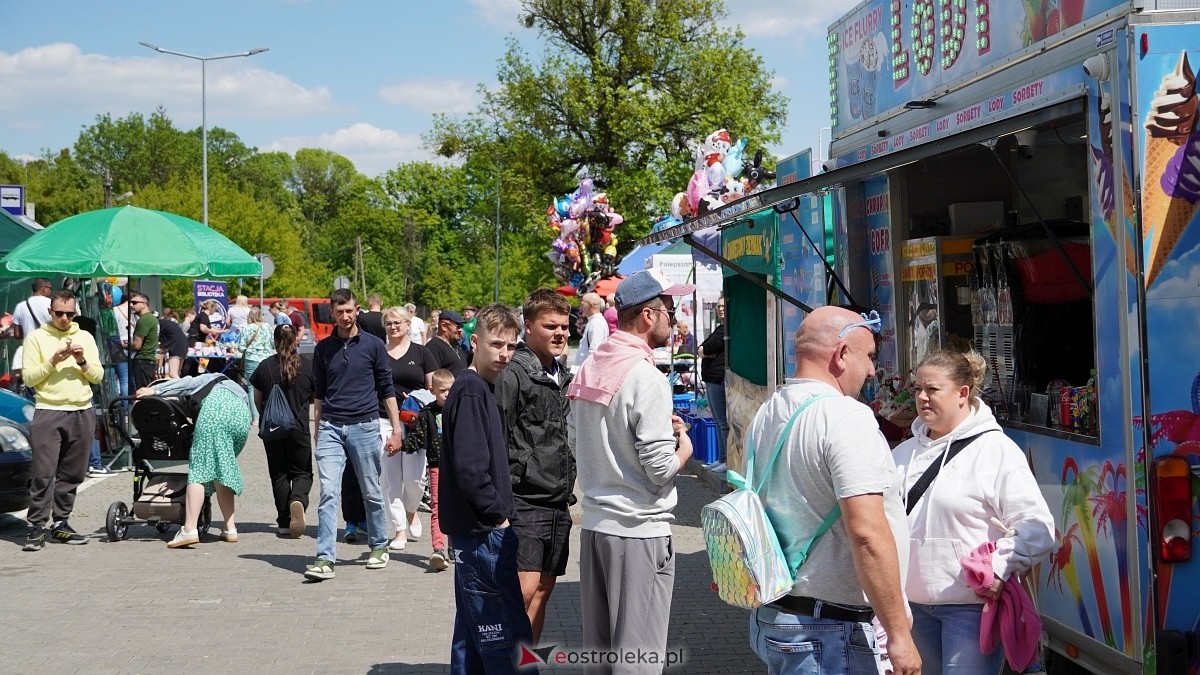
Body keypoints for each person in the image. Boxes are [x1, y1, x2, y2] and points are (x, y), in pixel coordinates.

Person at [744, 305, 919, 675]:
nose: (873, 370)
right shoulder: (845, 417)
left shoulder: (770, 408)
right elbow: (867, 532)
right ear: (841, 355)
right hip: (826, 630)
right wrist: (898, 634)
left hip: (778, 616)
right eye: (869, 356)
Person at [891, 349, 1054, 674]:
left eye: (933, 389)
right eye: (917, 389)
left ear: (962, 393)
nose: (922, 398)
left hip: (970, 611)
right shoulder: (901, 454)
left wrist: (998, 565)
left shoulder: (996, 451)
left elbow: (1039, 528)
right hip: (909, 610)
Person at [566, 268, 695, 671]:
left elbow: (576, 440)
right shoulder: (646, 377)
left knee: (602, 655)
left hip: (596, 527)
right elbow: (659, 469)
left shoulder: (590, 367)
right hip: (639, 531)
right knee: (638, 657)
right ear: (648, 316)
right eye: (670, 311)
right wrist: (685, 449)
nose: (674, 322)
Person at [439, 304, 534, 674]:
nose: (504, 354)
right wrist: (497, 517)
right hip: (482, 533)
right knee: (504, 635)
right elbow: (470, 468)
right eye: (496, 344)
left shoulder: (478, 388)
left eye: (510, 346)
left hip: (475, 531)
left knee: (472, 633)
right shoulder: (471, 390)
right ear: (474, 342)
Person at [304, 289, 403, 581]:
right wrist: (317, 429)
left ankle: (378, 545)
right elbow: (319, 394)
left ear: (357, 310)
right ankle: (324, 558)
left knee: (371, 490)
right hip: (331, 427)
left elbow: (386, 389)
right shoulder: (323, 349)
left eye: (349, 310)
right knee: (328, 493)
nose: (345, 316)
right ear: (332, 313)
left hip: (365, 425)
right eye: (339, 312)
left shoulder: (373, 345)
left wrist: (396, 429)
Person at [496, 289, 574, 643]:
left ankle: (526, 664)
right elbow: (496, 438)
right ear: (528, 326)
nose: (560, 333)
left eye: (565, 325)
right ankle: (501, 666)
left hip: (558, 502)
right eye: (550, 326)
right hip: (525, 502)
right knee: (520, 595)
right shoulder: (514, 373)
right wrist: (499, 507)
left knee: (543, 592)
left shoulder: (561, 373)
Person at [21, 290, 105, 550]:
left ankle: (61, 523)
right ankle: (36, 526)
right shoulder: (36, 338)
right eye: (59, 313)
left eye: (70, 314)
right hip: (48, 410)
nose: (64, 319)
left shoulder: (85, 337)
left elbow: (98, 376)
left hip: (82, 411)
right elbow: (29, 378)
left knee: (73, 473)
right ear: (50, 312)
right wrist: (53, 361)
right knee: (43, 473)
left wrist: (81, 361)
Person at [136, 372, 251, 547]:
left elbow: (186, 383)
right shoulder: (232, 387)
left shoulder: (210, 377)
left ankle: (189, 529)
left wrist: (156, 390)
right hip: (241, 417)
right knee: (222, 468)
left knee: (199, 470)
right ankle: (230, 528)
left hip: (215, 415)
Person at [370, 306, 437, 551]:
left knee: (415, 479)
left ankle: (411, 510)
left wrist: (420, 397)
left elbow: (432, 389)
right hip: (384, 420)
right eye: (389, 323)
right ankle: (398, 529)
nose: (393, 326)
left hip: (414, 423)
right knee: (389, 478)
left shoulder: (422, 353)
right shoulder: (379, 352)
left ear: (409, 324)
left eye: (398, 322)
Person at [250, 324, 315, 538]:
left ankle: (284, 522)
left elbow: (257, 400)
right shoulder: (307, 366)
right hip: (300, 428)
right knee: (302, 472)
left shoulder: (264, 367)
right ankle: (298, 499)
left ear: (274, 342)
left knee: (279, 474)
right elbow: (313, 397)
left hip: (272, 429)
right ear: (297, 339)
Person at [402, 368, 454, 570]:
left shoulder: (459, 410)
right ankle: (438, 548)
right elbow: (417, 439)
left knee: (456, 507)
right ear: (433, 391)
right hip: (436, 466)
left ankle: (454, 546)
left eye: (451, 389)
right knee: (437, 507)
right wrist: (401, 445)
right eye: (443, 391)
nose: (448, 394)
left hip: (457, 466)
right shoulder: (427, 413)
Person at [698, 296, 727, 472]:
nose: (720, 309)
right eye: (718, 306)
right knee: (716, 420)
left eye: (723, 306)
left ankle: (727, 461)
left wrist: (704, 351)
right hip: (711, 378)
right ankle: (721, 457)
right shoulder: (720, 328)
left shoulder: (725, 330)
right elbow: (703, 348)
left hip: (718, 378)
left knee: (722, 421)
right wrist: (704, 350)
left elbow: (706, 348)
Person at [237, 307, 276, 423]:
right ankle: (269, 415)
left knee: (251, 388)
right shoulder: (268, 327)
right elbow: (273, 344)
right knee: (268, 386)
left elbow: (241, 347)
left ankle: (255, 417)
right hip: (267, 360)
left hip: (251, 360)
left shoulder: (246, 328)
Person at [128, 293, 160, 390]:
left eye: (134, 302)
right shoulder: (152, 319)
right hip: (149, 360)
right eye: (131, 302)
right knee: (146, 391)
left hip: (143, 361)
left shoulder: (144, 319)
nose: (131, 305)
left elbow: (137, 345)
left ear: (144, 304)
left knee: (142, 393)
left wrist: (124, 345)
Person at [573, 292, 609, 372]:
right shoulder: (594, 321)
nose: (581, 307)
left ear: (591, 305)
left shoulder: (596, 323)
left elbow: (594, 350)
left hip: (588, 372)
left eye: (582, 304)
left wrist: (586, 372)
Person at [427, 310, 468, 376]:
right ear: (444, 326)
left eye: (461, 326)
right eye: (458, 326)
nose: (460, 330)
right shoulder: (434, 347)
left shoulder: (455, 344)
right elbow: (433, 378)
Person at [158, 312, 188, 379]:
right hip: (184, 344)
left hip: (176, 346)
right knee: (178, 372)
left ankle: (182, 388)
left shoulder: (159, 325)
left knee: (173, 373)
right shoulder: (169, 324)